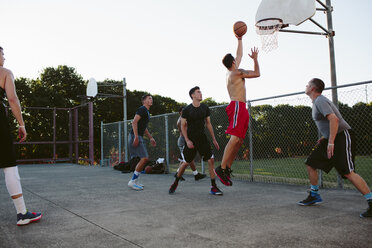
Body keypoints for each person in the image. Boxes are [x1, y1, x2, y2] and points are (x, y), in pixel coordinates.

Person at [298, 78, 372, 218]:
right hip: (331, 138)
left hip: (341, 136)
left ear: (313, 88)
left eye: (307, 84)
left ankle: (371, 201)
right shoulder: (316, 102)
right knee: (311, 163)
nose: (306, 86)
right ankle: (314, 195)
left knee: (348, 172)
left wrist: (331, 142)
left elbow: (334, 119)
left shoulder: (320, 100)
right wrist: (326, 138)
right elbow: (328, 123)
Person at [0, 46, 42, 225]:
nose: (4, 58)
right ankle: (22, 213)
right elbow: (12, 99)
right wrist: (21, 124)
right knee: (9, 166)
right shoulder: (5, 73)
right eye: (2, 54)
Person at [214, 34, 260, 186]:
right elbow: (257, 74)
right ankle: (220, 168)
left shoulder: (232, 71)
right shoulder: (236, 72)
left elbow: (239, 54)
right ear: (233, 62)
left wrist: (239, 38)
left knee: (239, 141)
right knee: (234, 138)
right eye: (236, 59)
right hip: (237, 107)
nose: (238, 59)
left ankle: (227, 168)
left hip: (242, 107)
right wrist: (255, 59)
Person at [169, 87, 222, 195]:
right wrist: (187, 140)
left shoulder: (205, 108)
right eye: (198, 92)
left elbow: (208, 124)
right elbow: (183, 126)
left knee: (211, 160)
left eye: (201, 92)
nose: (201, 94)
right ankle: (175, 182)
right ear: (193, 95)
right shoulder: (187, 110)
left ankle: (214, 187)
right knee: (185, 164)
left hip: (202, 138)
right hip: (191, 140)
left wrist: (214, 139)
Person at [127, 94, 156, 190]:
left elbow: (144, 128)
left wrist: (151, 138)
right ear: (144, 101)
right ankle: (132, 181)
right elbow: (134, 122)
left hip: (138, 136)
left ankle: (135, 180)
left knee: (143, 159)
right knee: (144, 158)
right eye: (149, 98)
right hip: (135, 136)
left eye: (151, 98)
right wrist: (136, 137)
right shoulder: (142, 109)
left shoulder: (146, 112)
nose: (151, 100)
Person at [175, 106, 206, 181]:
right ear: (180, 113)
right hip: (183, 141)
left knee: (186, 159)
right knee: (188, 159)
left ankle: (178, 173)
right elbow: (186, 131)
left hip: (187, 140)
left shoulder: (185, 119)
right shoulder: (181, 121)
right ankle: (195, 174)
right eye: (183, 111)